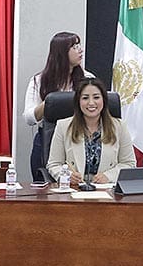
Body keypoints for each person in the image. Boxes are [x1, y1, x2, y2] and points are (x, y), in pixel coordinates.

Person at [22, 31, 94, 179]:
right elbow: (29, 118)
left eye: (79, 45)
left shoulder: (87, 79)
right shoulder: (39, 80)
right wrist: (51, 101)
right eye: (74, 47)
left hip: (78, 140)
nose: (80, 50)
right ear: (61, 52)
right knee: (44, 186)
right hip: (46, 141)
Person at [47, 77, 135, 187]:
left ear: (104, 100)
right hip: (75, 190)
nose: (91, 103)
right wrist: (67, 176)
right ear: (78, 101)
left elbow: (129, 163)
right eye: (85, 98)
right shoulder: (63, 126)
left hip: (106, 191)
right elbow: (54, 164)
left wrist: (108, 176)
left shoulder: (119, 127)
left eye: (96, 97)